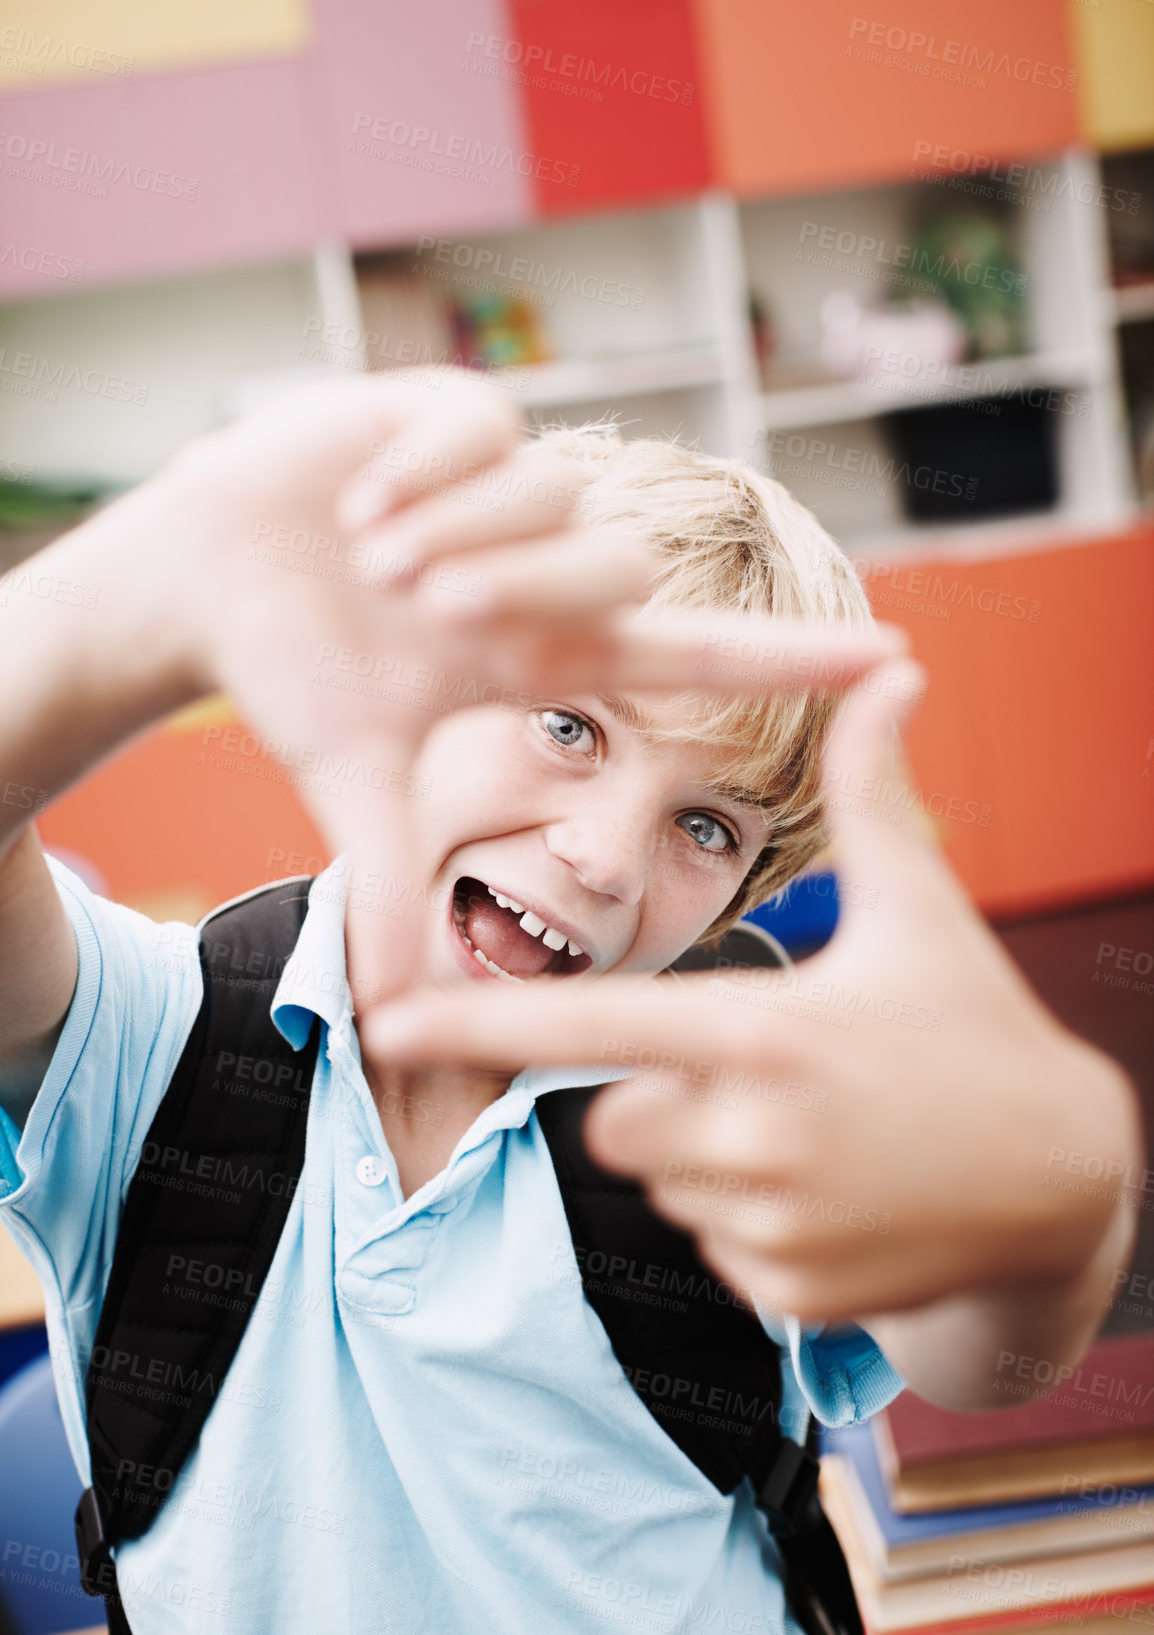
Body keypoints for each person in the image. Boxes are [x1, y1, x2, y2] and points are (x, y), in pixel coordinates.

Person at [0, 374, 1139, 1634]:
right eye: (567, 723)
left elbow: (982, 1351)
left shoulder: (743, 1117)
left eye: (704, 825)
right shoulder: (146, 1040)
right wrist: (146, 586)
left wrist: (1049, 1219)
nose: (604, 856)